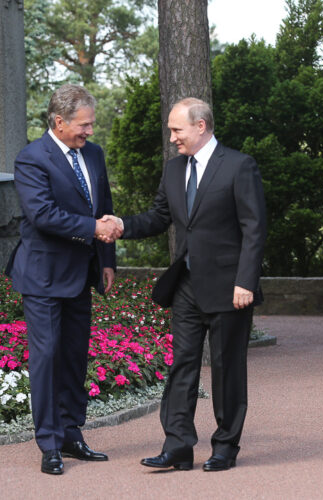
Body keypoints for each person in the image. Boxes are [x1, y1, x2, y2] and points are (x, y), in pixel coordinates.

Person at [105, 97, 266, 471]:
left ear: (200, 126)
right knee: (182, 365)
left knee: (227, 369)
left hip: (230, 288)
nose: (172, 137)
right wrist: (122, 226)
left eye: (177, 129)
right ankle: (178, 446)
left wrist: (245, 281)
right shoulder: (174, 170)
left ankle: (225, 447)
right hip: (187, 285)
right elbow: (160, 217)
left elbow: (254, 229)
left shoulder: (239, 166)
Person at [5, 84, 122, 475]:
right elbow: (43, 215)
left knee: (74, 357)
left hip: (81, 274)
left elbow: (103, 207)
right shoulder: (31, 159)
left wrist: (107, 260)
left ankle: (72, 434)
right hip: (42, 276)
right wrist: (94, 228)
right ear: (59, 121)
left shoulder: (93, 154)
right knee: (47, 357)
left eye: (91, 124)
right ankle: (50, 443)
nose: (90, 132)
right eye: (84, 125)